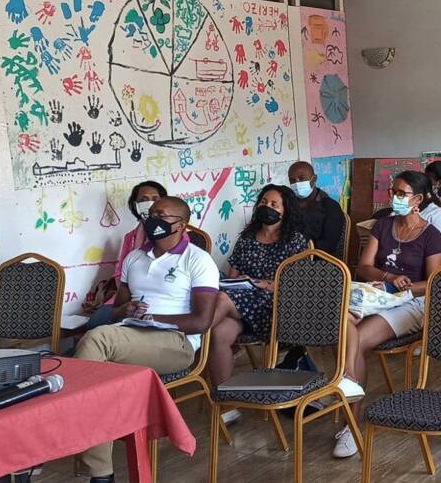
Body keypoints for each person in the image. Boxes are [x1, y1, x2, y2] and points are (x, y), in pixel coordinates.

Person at [73, 197, 219, 483]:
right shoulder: (134, 259)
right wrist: (124, 310)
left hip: (177, 343)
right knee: (98, 380)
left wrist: (156, 320)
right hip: (132, 334)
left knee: (96, 342)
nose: (153, 219)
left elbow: (202, 321)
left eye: (161, 215)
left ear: (181, 224)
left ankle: (75, 443)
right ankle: (99, 473)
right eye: (150, 214)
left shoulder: (198, 261)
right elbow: (118, 310)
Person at [334, 170, 441, 458]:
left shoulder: (432, 237)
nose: (394, 198)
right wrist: (387, 276)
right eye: (392, 192)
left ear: (418, 199)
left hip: (412, 301)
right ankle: (348, 389)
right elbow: (363, 266)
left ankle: (350, 416)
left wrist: (404, 286)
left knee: (356, 339)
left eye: (401, 193)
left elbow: (434, 283)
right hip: (379, 293)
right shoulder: (383, 226)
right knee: (344, 320)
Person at [207, 185, 309, 386]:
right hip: (241, 306)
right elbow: (232, 277)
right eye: (263, 202)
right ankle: (225, 401)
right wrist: (239, 284)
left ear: (285, 210)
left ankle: (190, 338)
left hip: (273, 307)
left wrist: (264, 284)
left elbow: (299, 286)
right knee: (219, 334)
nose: (267, 206)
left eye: (274, 204)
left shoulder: (295, 241)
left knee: (220, 299)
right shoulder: (247, 237)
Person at [80, 180, 168, 329]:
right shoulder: (131, 237)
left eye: (155, 198)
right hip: (127, 296)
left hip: (159, 298)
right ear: (135, 206)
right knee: (95, 321)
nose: (150, 203)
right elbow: (120, 273)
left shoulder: (174, 234)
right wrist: (126, 302)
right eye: (143, 200)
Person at [288, 161, 346, 257]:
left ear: (314, 179)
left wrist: (298, 251)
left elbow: (329, 244)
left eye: (301, 178)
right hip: (287, 259)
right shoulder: (288, 204)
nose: (297, 183)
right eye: (292, 181)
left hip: (320, 262)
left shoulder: (330, 207)